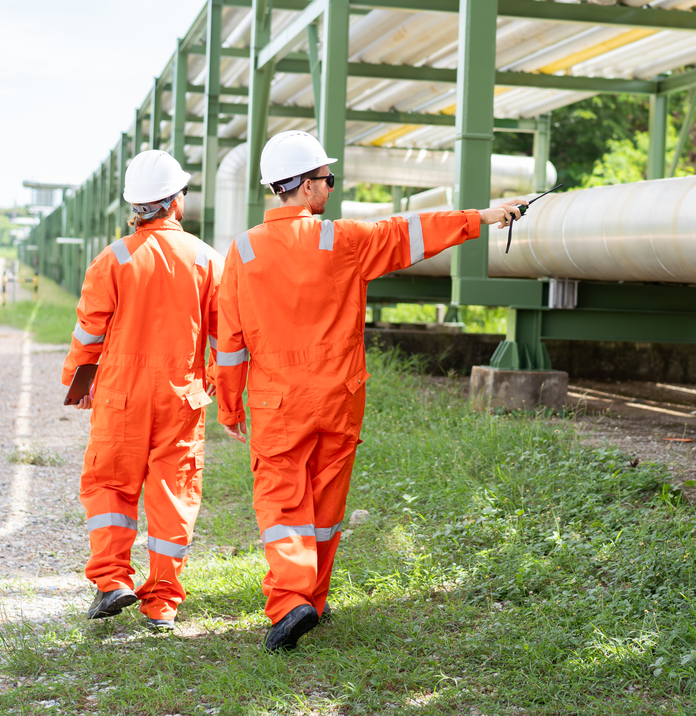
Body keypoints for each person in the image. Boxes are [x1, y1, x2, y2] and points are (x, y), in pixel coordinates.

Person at [214, 130, 526, 651]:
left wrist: (228, 404)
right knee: (326, 499)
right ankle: (312, 598)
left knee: (281, 499)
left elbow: (230, 339)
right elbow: (409, 232)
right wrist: (481, 218)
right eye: (327, 179)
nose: (330, 188)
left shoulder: (243, 250)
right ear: (306, 187)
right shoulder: (345, 241)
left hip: (277, 401)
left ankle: (291, 602)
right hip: (339, 396)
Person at [62, 149, 225, 631]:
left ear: (135, 207)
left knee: (109, 484)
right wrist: (218, 386)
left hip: (119, 398)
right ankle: (162, 605)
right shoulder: (207, 259)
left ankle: (112, 582)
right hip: (182, 398)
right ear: (176, 202)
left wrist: (78, 383)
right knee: (173, 495)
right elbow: (225, 336)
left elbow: (89, 332)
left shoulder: (112, 260)